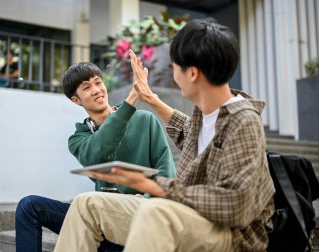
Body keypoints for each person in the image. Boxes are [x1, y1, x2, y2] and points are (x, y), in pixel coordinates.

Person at [54, 17, 276, 252]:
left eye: (175, 66)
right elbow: (187, 131)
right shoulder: (206, 116)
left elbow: (236, 204)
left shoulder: (243, 120)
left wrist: (155, 187)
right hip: (184, 215)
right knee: (86, 203)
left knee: (155, 211)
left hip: (229, 235)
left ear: (192, 74)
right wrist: (149, 97)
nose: (173, 74)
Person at [15, 62, 176, 252]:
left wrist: (146, 197)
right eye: (87, 87)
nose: (96, 90)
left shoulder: (144, 120)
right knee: (29, 206)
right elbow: (96, 153)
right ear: (76, 100)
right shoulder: (79, 138)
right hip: (100, 215)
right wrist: (131, 100)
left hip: (137, 212)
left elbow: (167, 173)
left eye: (98, 83)